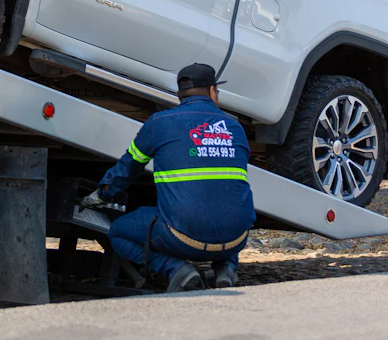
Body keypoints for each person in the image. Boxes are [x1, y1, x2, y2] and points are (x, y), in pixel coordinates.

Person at [81, 63, 256, 292]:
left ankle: (177, 270)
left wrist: (102, 194)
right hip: (237, 238)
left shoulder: (159, 123)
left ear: (179, 95)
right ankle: (226, 269)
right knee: (225, 209)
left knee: (118, 232)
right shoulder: (235, 127)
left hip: (181, 239)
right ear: (213, 92)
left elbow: (127, 168)